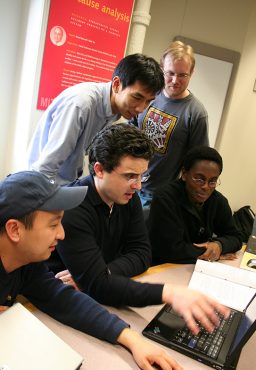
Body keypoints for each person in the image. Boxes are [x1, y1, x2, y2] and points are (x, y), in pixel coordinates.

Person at [55, 124, 229, 336]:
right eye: (129, 176)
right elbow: (99, 286)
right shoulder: (73, 207)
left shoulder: (128, 199)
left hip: (99, 294)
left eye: (141, 176)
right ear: (99, 170)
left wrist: (102, 273)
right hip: (50, 306)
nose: (138, 186)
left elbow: (142, 254)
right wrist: (168, 293)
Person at [0, 170, 184, 370]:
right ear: (15, 230)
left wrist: (132, 339)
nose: (62, 234)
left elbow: (62, 299)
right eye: (53, 225)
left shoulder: (27, 265)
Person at [27, 53, 164, 185]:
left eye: (148, 101)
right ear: (116, 84)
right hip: (44, 185)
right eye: (137, 97)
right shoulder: (81, 104)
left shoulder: (115, 111)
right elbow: (45, 168)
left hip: (66, 184)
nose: (141, 109)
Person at [130, 41, 209, 208]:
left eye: (182, 75)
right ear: (161, 69)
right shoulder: (149, 95)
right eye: (170, 73)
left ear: (191, 73)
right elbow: (130, 131)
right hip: (129, 183)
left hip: (159, 196)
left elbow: (197, 162)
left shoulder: (196, 113)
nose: (175, 80)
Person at [148, 146, 243, 265]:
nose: (206, 187)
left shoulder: (218, 201)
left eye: (212, 181)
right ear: (184, 174)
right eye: (199, 179)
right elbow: (170, 250)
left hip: (195, 267)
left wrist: (219, 245)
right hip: (160, 267)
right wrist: (212, 253)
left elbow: (236, 237)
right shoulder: (165, 198)